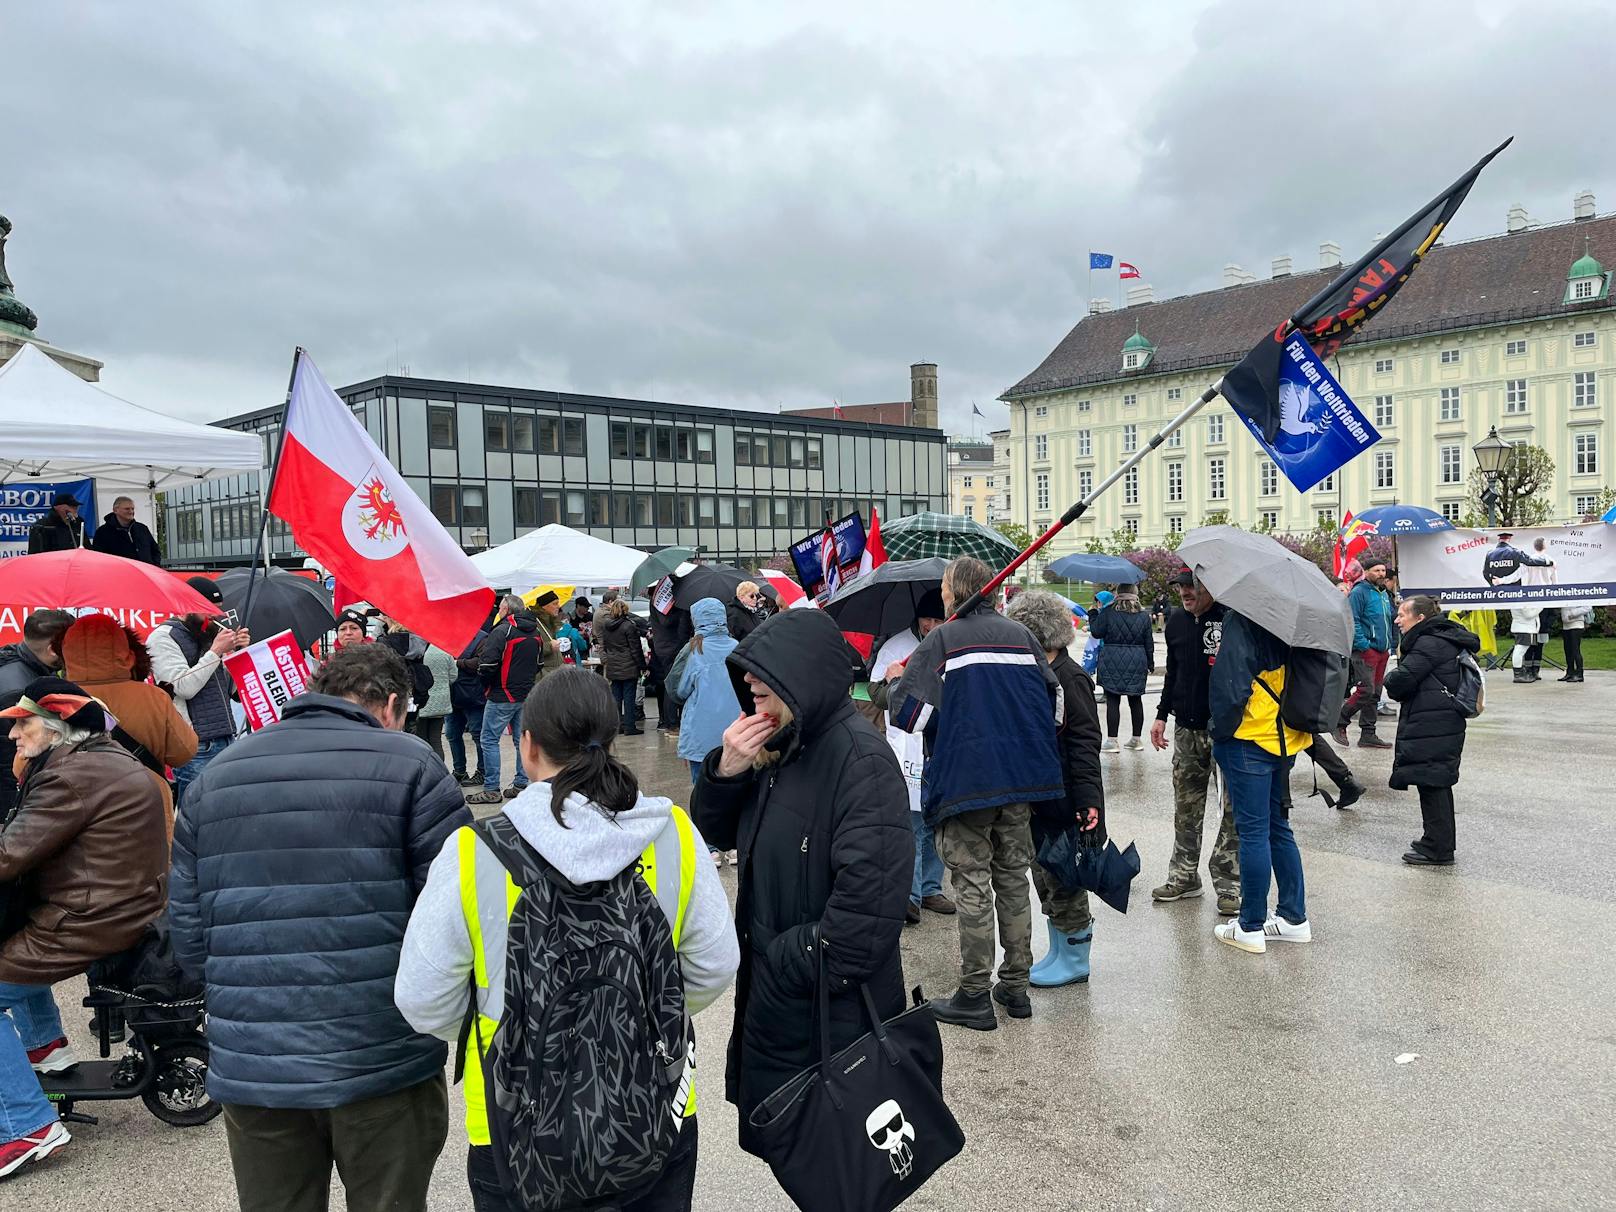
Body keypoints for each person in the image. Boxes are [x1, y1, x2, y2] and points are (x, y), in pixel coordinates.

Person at [396, 668, 739, 1212]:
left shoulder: (474, 851)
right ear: (611, 738)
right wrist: (640, 1015)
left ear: (527, 746)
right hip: (654, 1108)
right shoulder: (671, 831)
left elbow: (422, 997)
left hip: (514, 1122)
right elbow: (715, 963)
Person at [168, 644, 469, 1212]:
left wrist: (247, 997)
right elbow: (456, 916)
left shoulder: (218, 775)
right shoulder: (413, 765)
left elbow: (186, 926)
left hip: (257, 1059)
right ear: (392, 705)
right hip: (383, 1053)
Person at [692, 609, 911, 1159]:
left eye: (764, 674)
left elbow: (866, 917)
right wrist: (727, 770)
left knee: (840, 1159)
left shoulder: (860, 761)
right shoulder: (780, 750)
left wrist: (779, 958)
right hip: (783, 998)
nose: (748, 683)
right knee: (797, 1147)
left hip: (825, 1004)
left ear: (803, 676)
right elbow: (716, 832)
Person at [0, 679, 168, 1178]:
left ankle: (24, 1126)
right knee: (13, 945)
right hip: (122, 907)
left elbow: (9, 855)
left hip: (89, 918)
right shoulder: (103, 758)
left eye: (22, 723)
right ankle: (47, 1050)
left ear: (56, 728)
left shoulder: (68, 777)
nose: (12, 734)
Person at [890, 557, 1064, 1029]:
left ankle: (974, 993)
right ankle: (1016, 985)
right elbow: (1054, 706)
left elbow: (909, 717)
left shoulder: (941, 640)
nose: (942, 592)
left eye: (945, 585)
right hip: (1021, 783)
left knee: (971, 884)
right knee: (1011, 880)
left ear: (956, 592)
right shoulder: (1022, 637)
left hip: (966, 785)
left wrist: (895, 684)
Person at [1005, 591, 1104, 987]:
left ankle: (1076, 958)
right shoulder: (1035, 674)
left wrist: (1089, 802)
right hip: (1039, 797)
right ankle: (1060, 950)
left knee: (1066, 879)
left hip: (1067, 798)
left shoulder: (1070, 677)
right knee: (1045, 876)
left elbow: (1084, 745)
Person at [1209, 611, 1313, 955]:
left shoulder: (1243, 618)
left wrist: (1220, 733)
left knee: (1252, 832)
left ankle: (1250, 926)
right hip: (1289, 735)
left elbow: (1231, 685)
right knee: (1278, 828)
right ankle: (1293, 918)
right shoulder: (1299, 619)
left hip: (1251, 737)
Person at [56, 612, 198, 836]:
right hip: (145, 805)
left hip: (71, 808)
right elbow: (184, 752)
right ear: (129, 654)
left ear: (65, 653)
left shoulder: (54, 700)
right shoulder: (152, 698)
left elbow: (22, 766)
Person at [1148, 570, 1241, 914]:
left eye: (1192, 586)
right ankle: (1184, 875)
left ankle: (1229, 882)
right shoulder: (1175, 621)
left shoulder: (1231, 620)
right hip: (1187, 730)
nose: (1185, 593)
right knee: (1186, 809)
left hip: (1227, 731)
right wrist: (1161, 715)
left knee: (1233, 810)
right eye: (1181, 587)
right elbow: (1173, 672)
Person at [867, 589, 953, 924]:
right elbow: (876, 694)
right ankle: (911, 894)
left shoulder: (953, 642)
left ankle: (932, 888)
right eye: (926, 619)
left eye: (938, 619)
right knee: (913, 821)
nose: (931, 625)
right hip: (907, 744)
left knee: (937, 820)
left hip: (941, 741)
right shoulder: (897, 647)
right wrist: (898, 684)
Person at [1384, 596, 1481, 867]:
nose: (1397, 620)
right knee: (1435, 780)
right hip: (1440, 719)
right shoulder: (1442, 637)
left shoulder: (1428, 643)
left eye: (1402, 614)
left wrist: (1390, 676)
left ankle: (1438, 848)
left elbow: (1401, 681)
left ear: (1420, 618)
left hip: (1433, 721)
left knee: (1433, 782)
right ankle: (1437, 840)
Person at [147, 577, 247, 808]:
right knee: (196, 810)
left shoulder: (208, 634)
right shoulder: (163, 638)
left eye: (217, 612)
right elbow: (183, 687)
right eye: (207, 612)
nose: (213, 619)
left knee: (224, 808)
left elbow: (228, 689)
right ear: (187, 606)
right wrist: (215, 652)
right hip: (195, 744)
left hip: (224, 734)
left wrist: (239, 653)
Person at [671, 598, 741, 870]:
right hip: (735, 732)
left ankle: (710, 848)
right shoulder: (738, 648)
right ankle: (734, 844)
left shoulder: (693, 651)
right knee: (736, 787)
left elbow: (679, 691)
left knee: (702, 789)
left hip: (700, 734)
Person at [471, 595, 545, 806]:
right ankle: (521, 784)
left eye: (500, 608)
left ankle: (491, 789)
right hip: (525, 693)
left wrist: (486, 685)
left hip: (502, 693)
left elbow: (487, 665)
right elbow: (539, 664)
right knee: (521, 740)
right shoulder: (536, 632)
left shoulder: (503, 631)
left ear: (505, 610)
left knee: (489, 739)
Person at [0, 608, 73, 818]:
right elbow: (12, 760)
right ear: (52, 649)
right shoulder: (22, 690)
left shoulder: (12, 659)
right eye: (69, 645)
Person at [1334, 559, 1393, 749]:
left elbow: (1389, 619)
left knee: (1375, 693)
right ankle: (1339, 721)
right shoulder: (1359, 592)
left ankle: (1368, 734)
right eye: (1377, 570)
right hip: (1366, 651)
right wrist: (1364, 645)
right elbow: (1352, 620)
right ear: (1366, 572)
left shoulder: (1383, 594)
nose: (1382, 574)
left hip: (1382, 650)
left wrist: (1390, 644)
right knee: (1365, 690)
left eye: (1383, 570)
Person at [1091, 586, 1154, 752]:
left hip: (1112, 658)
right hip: (1137, 660)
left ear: (1117, 595)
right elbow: (1149, 642)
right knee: (1135, 699)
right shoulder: (1143, 616)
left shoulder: (1108, 612)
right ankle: (1136, 739)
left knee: (1113, 699)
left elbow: (1097, 632)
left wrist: (1092, 614)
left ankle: (1112, 741)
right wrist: (1150, 663)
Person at [599, 597, 649, 737]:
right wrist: (642, 665)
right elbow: (635, 648)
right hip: (628, 665)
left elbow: (606, 645)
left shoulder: (606, 625)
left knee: (616, 696)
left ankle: (617, 726)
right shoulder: (629, 625)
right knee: (629, 696)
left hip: (613, 664)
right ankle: (629, 726)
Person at [446, 628, 488, 787]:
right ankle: (459, 771)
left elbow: (480, 663)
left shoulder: (482, 638)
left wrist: (458, 662)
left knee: (478, 736)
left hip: (473, 696)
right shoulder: (449, 636)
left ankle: (482, 772)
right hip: (453, 695)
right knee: (452, 734)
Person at [88, 496, 162, 565]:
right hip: (120, 576)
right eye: (127, 509)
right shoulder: (102, 532)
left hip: (146, 574)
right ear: (115, 510)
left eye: (132, 509)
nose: (131, 511)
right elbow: (99, 558)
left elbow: (155, 550)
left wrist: (154, 566)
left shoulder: (142, 528)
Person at [416, 643, 458, 761]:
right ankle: (440, 771)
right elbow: (454, 676)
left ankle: (425, 772)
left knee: (421, 740)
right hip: (440, 702)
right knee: (436, 739)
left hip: (421, 701)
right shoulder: (444, 650)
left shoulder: (416, 651)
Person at [1560, 604, 1592, 683]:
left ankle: (1579, 674)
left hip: (1576, 624)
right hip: (1566, 625)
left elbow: (1588, 607)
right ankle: (1570, 672)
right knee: (1568, 650)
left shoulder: (1578, 593)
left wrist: (1572, 613)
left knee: (1575, 650)